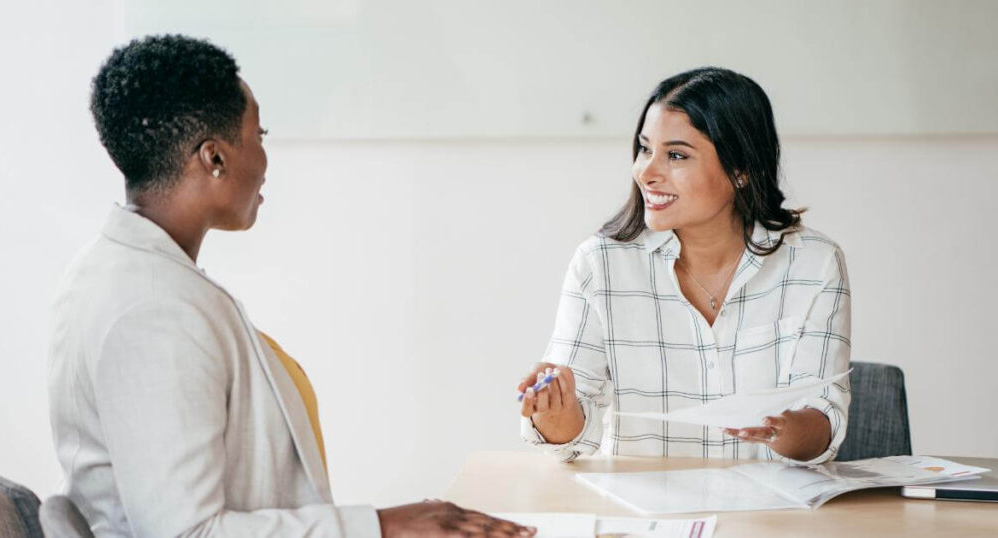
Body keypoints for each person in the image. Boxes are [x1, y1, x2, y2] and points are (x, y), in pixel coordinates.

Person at [47, 34, 534, 538]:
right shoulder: (151, 310)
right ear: (213, 158)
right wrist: (382, 527)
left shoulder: (121, 274)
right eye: (259, 135)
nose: (264, 159)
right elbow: (187, 533)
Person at [517, 67, 851, 465]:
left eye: (675, 155)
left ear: (741, 169)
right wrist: (555, 409)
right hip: (645, 518)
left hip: (767, 518)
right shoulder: (599, 264)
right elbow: (571, 441)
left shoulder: (814, 263)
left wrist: (780, 429)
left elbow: (824, 419)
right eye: (644, 149)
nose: (647, 172)